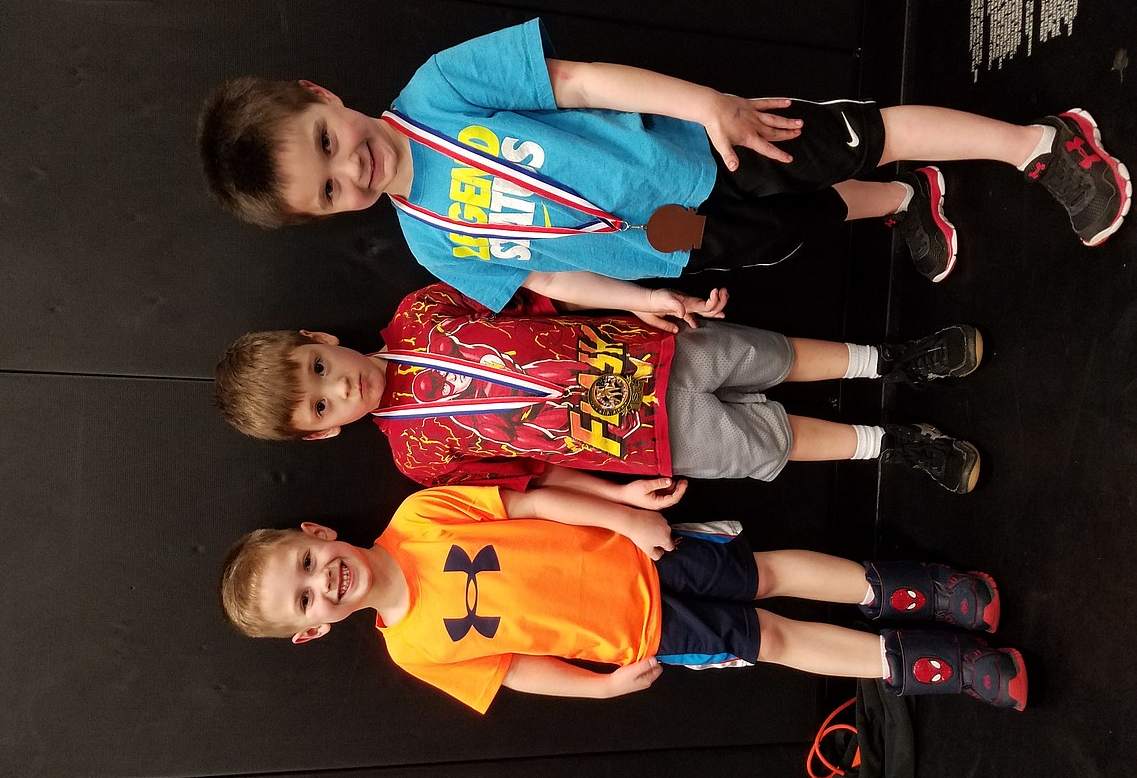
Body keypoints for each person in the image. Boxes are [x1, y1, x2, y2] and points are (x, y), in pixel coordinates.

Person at [198, 19, 1130, 315]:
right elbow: (549, 273)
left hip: (693, 151)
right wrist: (642, 297)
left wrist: (706, 105)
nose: (347, 168)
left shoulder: (440, 88)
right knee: (796, 225)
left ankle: (1040, 145)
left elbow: (584, 81)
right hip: (667, 239)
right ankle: (904, 203)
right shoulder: (429, 242)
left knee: (858, 135)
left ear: (322, 95)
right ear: (327, 215)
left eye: (324, 140)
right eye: (327, 190)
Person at [219, 482, 1028, 713]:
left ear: (317, 531)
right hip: (640, 629)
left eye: (305, 560)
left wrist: (631, 518)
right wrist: (602, 685)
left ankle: (930, 591)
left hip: (642, 553)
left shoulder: (417, 513)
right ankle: (937, 664)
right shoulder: (413, 648)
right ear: (312, 631)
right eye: (305, 600)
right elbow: (518, 668)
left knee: (772, 571)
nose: (320, 580)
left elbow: (532, 502)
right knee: (772, 638)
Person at [215, 283, 985, 494]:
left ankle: (891, 358)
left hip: (641, 350)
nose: (339, 385)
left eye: (318, 368)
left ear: (318, 338)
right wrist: (616, 502)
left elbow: (542, 289)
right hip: (639, 442)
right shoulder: (417, 458)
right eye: (322, 405)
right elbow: (532, 480)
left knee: (770, 354)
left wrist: (637, 299)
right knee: (770, 443)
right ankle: (895, 446)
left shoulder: (422, 308)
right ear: (323, 432)